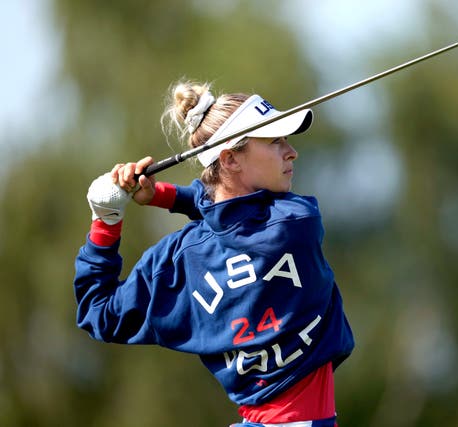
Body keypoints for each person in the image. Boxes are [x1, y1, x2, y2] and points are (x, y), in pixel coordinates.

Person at [73, 81, 355, 427]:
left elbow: (98, 311)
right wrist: (163, 195)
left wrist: (106, 219)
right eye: (275, 141)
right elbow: (235, 215)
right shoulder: (296, 222)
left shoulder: (178, 260)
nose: (291, 151)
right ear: (231, 159)